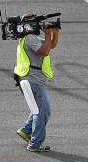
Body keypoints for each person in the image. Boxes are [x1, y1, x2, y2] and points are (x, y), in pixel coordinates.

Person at [14, 13, 59, 152]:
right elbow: (45, 51)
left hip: (29, 80)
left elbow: (50, 45)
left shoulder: (28, 38)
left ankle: (26, 130)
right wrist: (47, 34)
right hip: (32, 80)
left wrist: (54, 33)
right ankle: (35, 143)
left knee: (38, 109)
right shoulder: (30, 38)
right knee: (43, 110)